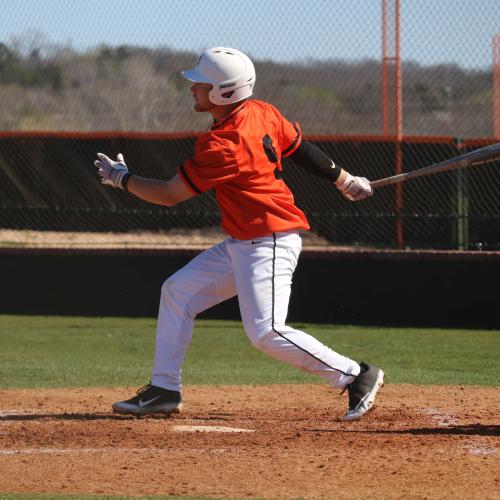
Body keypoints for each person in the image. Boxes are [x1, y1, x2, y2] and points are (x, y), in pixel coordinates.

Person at [93, 47, 384, 422]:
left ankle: (355, 376)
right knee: (177, 291)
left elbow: (168, 195)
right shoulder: (261, 111)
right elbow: (300, 148)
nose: (192, 88)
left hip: (270, 239)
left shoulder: (224, 145)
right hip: (244, 241)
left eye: (201, 84)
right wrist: (344, 180)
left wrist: (123, 179)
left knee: (266, 332)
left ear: (222, 93)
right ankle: (164, 389)